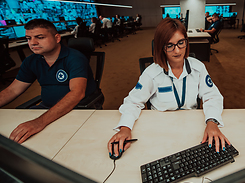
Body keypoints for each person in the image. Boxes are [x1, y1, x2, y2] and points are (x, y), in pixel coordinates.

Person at [108, 17, 229, 158]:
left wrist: (212, 122)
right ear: (161, 47)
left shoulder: (198, 68)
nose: (177, 50)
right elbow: (133, 102)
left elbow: (212, 96)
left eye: (180, 43)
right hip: (160, 130)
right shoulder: (152, 73)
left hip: (193, 130)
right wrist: (125, 128)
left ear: (186, 42)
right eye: (169, 45)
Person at [0, 19, 97, 143]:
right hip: (46, 109)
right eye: (28, 38)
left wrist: (39, 122)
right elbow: (13, 90)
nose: (33, 43)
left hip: (77, 109)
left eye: (39, 37)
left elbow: (77, 93)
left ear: (57, 38)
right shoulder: (31, 61)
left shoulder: (74, 58)